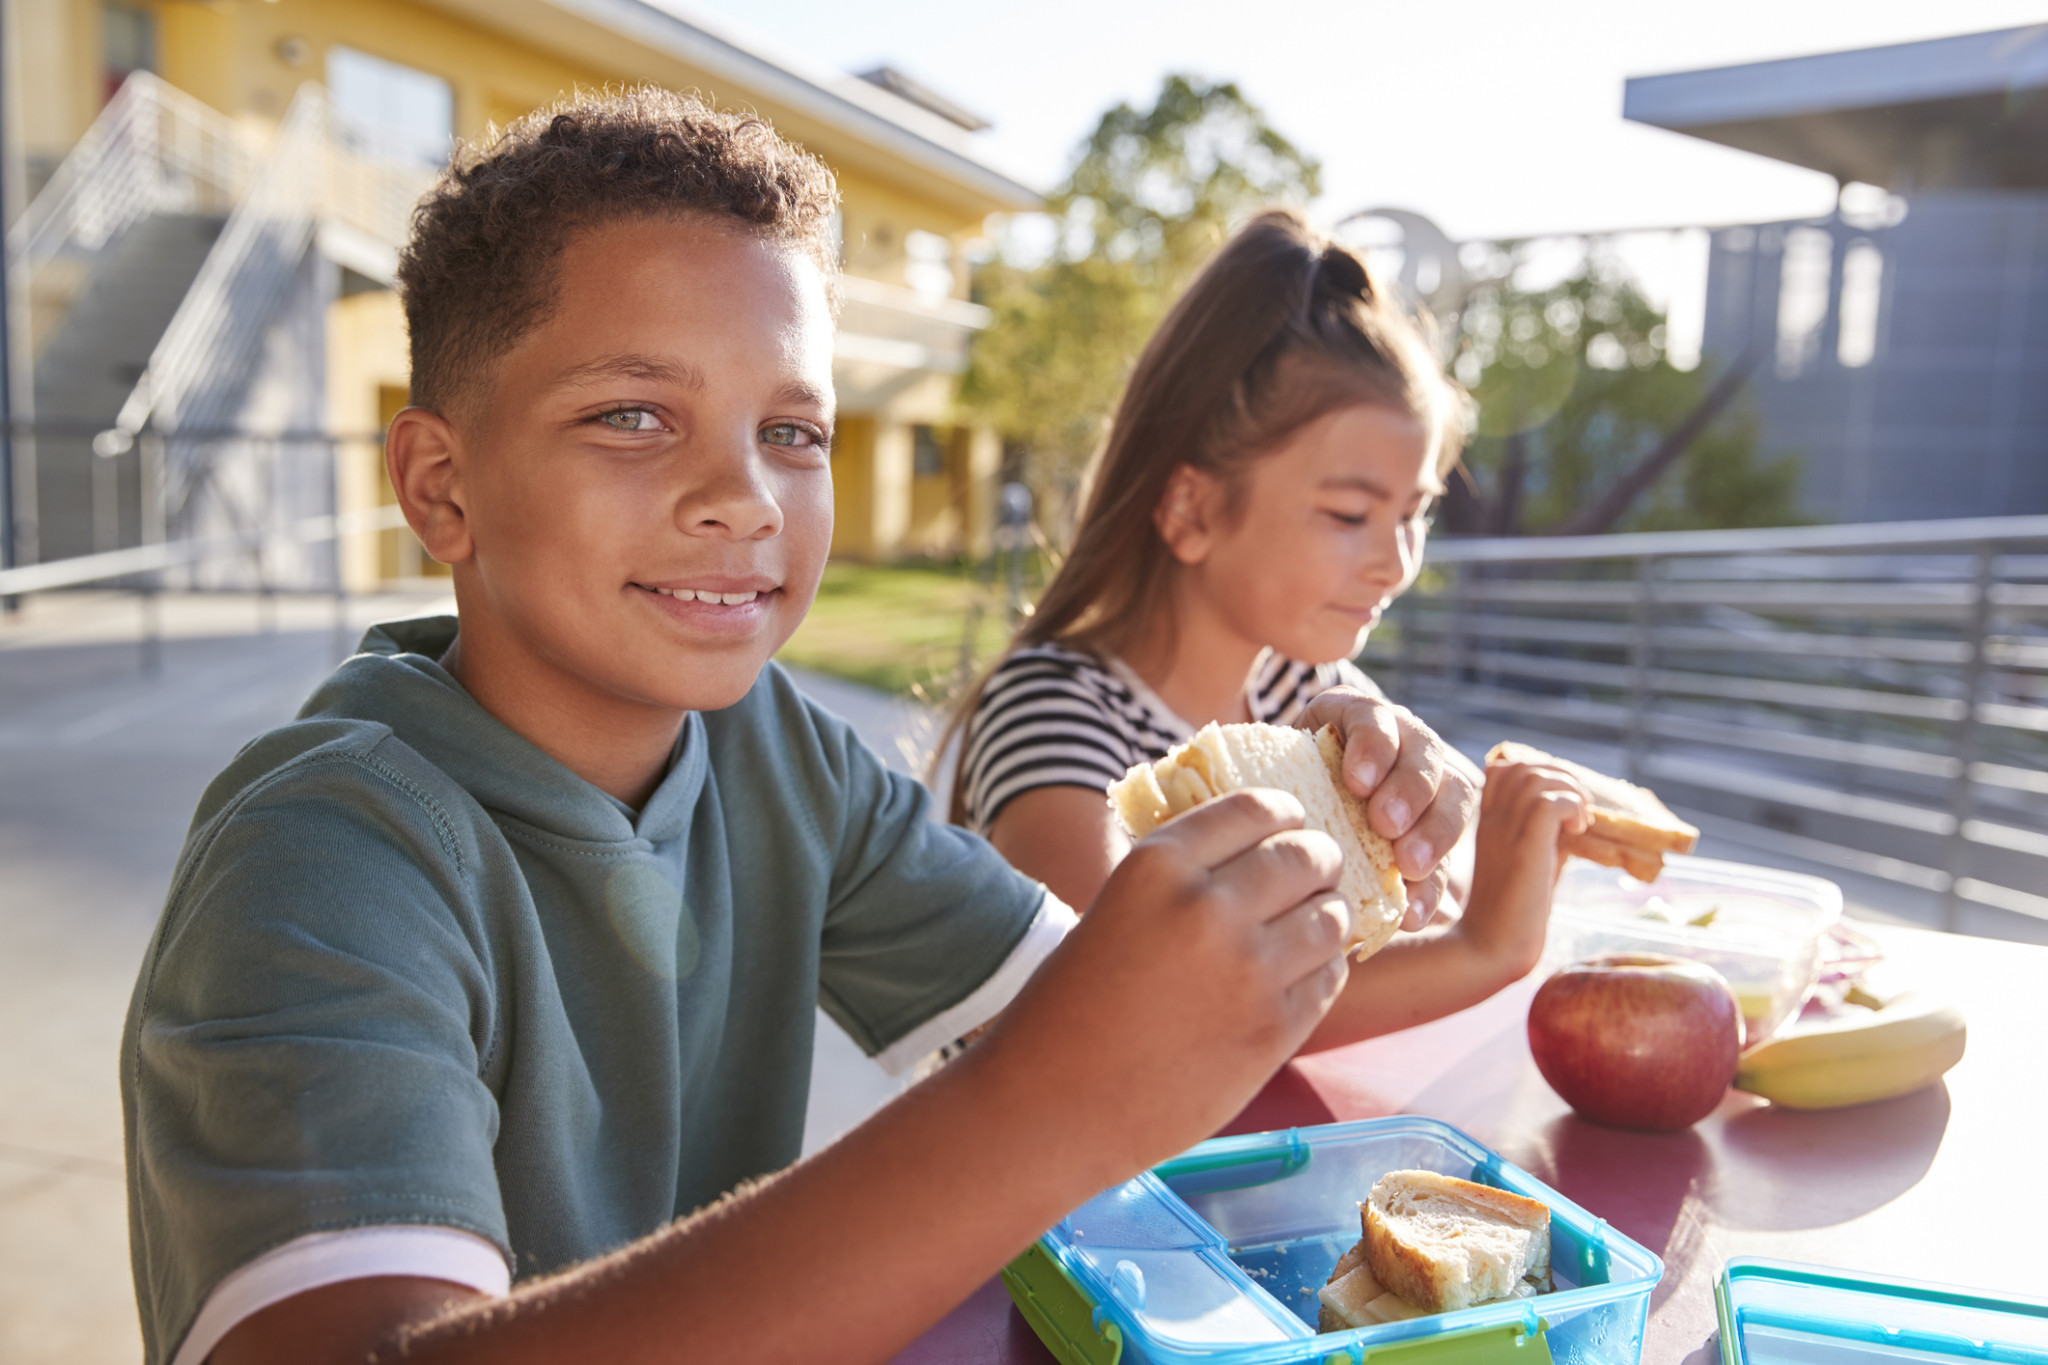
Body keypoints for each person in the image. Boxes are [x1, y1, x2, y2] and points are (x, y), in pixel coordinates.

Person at [119, 94, 1510, 1365]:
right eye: (632, 415)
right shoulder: (318, 865)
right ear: (439, 485)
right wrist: (1038, 1106)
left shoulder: (775, 753)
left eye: (794, 431)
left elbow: (1114, 1014)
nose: (743, 495)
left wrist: (1332, 835)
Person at [953, 209, 1592, 1044]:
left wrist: (1445, 862)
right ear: (1191, 508)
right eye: (1350, 513)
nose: (1397, 563)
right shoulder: (1051, 714)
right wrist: (1481, 949)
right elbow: (1138, 1016)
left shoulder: (1304, 689)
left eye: (1415, 513)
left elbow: (1398, 918)